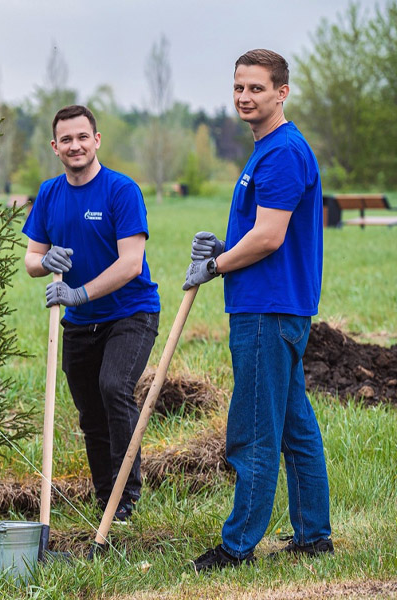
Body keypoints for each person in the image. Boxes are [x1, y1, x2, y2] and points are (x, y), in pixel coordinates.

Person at [185, 49, 332, 572]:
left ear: (282, 92)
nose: (245, 97)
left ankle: (237, 546)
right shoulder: (267, 149)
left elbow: (269, 238)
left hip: (267, 309)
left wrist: (217, 264)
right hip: (271, 304)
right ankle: (314, 535)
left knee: (252, 430)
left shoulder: (283, 152)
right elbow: (262, 226)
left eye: (256, 88)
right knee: (294, 426)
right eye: (239, 87)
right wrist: (221, 244)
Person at [22, 105, 160, 524]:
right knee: (90, 414)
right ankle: (107, 500)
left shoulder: (121, 190)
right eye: (66, 139)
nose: (75, 145)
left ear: (96, 140)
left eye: (83, 136)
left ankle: (126, 496)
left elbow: (130, 263)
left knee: (114, 387)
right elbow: (31, 257)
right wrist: (46, 264)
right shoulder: (49, 193)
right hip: (80, 325)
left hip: (129, 313)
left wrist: (79, 292)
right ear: (55, 147)